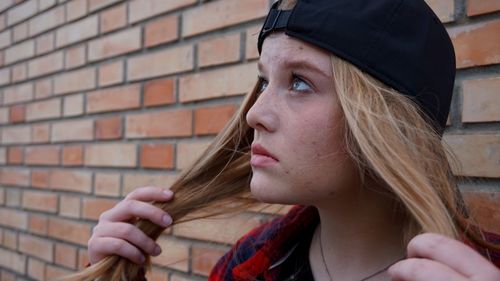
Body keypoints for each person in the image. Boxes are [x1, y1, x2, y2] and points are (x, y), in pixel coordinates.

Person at [66, 0, 500, 280]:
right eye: (263, 81)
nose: (254, 113)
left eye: (299, 83)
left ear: (388, 121)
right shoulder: (250, 265)